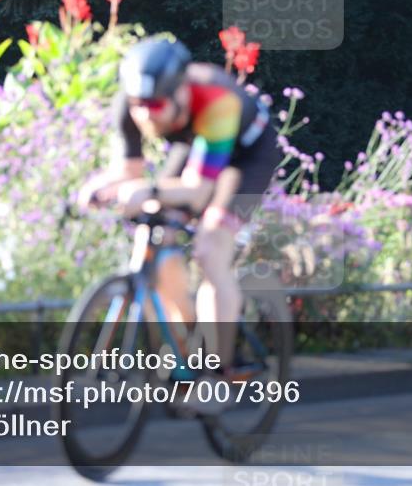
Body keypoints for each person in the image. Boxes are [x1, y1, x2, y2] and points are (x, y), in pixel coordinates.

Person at [78, 34, 280, 410]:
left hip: (246, 156)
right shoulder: (134, 102)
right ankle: (185, 345)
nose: (145, 115)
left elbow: (198, 192)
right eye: (138, 106)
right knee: (151, 236)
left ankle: (217, 375)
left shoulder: (216, 102)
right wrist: (99, 187)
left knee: (210, 249)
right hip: (198, 142)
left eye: (155, 106)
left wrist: (149, 189)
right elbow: (128, 171)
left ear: (180, 93)